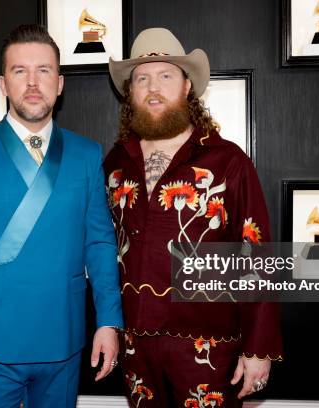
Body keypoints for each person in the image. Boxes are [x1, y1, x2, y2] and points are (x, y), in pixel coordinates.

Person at [0, 24, 123, 408]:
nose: (33, 82)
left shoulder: (86, 155)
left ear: (60, 83)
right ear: (3, 83)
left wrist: (109, 321)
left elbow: (99, 243)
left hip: (63, 338)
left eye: (44, 70)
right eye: (20, 71)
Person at [104, 28, 283, 407]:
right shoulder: (114, 163)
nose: (154, 87)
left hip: (209, 350)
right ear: (130, 92)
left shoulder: (228, 161)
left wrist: (259, 347)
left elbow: (258, 255)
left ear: (187, 87)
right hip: (136, 347)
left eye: (166, 75)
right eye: (142, 78)